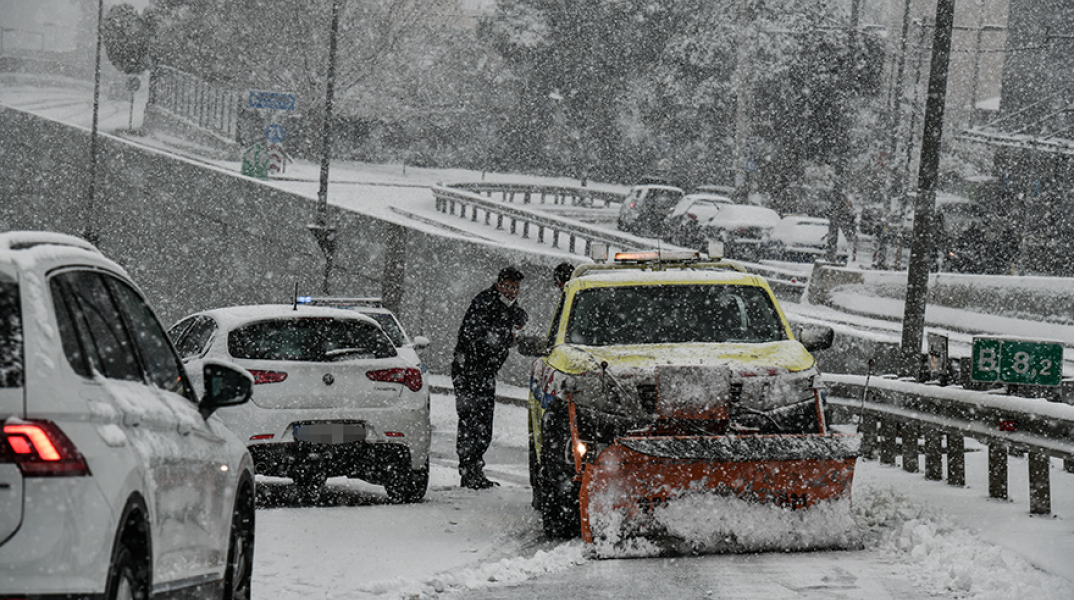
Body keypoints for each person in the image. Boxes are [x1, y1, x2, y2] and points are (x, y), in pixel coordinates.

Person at [452, 266, 528, 489]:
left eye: (515, 288)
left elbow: (519, 318)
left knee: (484, 424)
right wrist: (505, 339)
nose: (512, 291)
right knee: (471, 422)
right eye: (508, 286)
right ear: (498, 284)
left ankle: (475, 469)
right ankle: (468, 471)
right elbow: (475, 338)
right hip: (470, 372)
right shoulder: (484, 303)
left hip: (485, 373)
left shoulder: (506, 307)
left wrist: (516, 326)